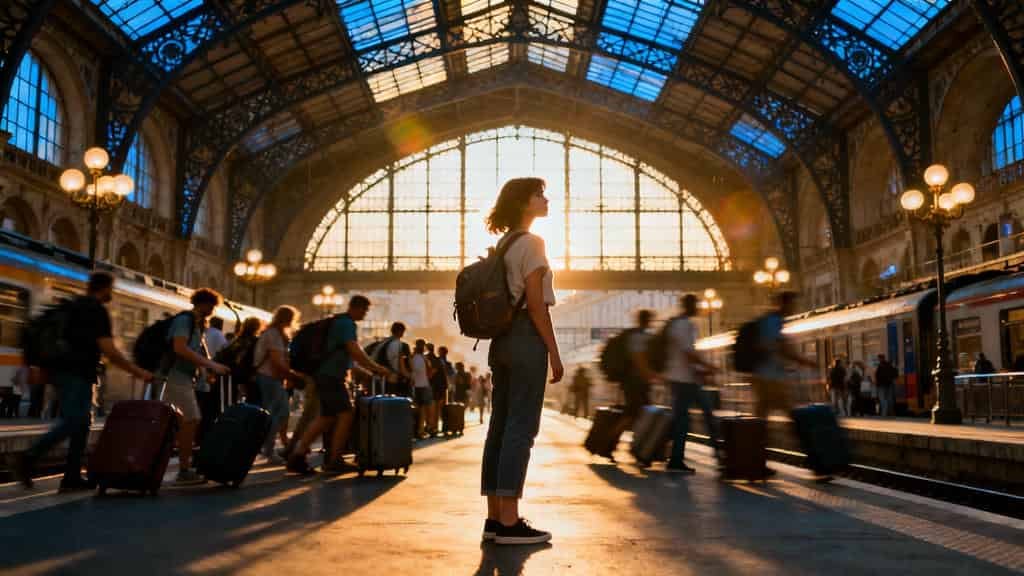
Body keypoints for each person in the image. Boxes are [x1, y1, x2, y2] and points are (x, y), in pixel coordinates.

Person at [15, 273, 154, 491]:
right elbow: (109, 349)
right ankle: (30, 456)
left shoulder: (73, 306)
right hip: (78, 373)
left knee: (81, 425)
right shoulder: (96, 310)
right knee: (75, 421)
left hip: (61, 372)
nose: (112, 294)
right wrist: (136, 371)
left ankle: (71, 477)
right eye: (111, 289)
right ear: (105, 288)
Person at [480, 177, 562, 546]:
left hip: (500, 342)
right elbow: (535, 305)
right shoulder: (532, 243)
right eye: (539, 195)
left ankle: (495, 519)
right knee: (521, 428)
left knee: (499, 426)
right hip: (526, 340)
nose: (546, 200)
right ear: (523, 203)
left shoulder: (505, 244)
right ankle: (511, 522)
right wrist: (555, 355)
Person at [285, 295, 390, 475]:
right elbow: (353, 350)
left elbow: (345, 355)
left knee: (328, 417)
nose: (365, 314)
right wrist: (376, 368)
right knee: (345, 413)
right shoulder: (347, 324)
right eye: (365, 310)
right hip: (331, 376)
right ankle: (333, 461)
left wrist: (364, 370)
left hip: (326, 375)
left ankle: (298, 455)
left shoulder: (338, 322)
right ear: (357, 308)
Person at [164, 288, 231, 485]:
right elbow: (180, 348)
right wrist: (211, 365)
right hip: (174, 376)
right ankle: (183, 470)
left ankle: (175, 464)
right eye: (212, 306)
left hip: (184, 377)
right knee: (192, 418)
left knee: (178, 421)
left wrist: (204, 373)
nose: (213, 310)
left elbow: (195, 353)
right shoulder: (185, 321)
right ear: (203, 303)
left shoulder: (197, 324)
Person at [664, 294, 720, 474]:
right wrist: (708, 366)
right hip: (685, 380)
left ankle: (676, 457)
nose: (699, 307)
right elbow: (688, 353)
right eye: (697, 304)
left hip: (683, 379)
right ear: (690, 306)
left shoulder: (678, 324)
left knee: (686, 419)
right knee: (693, 418)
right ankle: (718, 457)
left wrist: (701, 369)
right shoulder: (684, 325)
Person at [751, 291, 816, 420]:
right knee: (789, 412)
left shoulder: (772, 321)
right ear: (784, 304)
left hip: (766, 376)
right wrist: (805, 362)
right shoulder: (773, 321)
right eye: (793, 304)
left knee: (763, 414)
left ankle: (755, 438)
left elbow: (780, 348)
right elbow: (782, 349)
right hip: (769, 377)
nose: (794, 307)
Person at [253, 305, 304, 464]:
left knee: (276, 413)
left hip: (272, 378)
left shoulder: (275, 333)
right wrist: (293, 376)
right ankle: (268, 450)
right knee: (280, 412)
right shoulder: (274, 334)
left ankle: (267, 448)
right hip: (269, 377)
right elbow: (277, 361)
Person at [611, 310, 656, 441]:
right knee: (632, 414)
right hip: (635, 383)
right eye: (650, 320)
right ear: (646, 321)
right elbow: (639, 359)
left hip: (636, 382)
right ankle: (608, 442)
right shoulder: (638, 337)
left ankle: (637, 444)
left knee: (639, 414)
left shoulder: (638, 336)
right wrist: (651, 374)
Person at [217, 317, 264, 404]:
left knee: (227, 401)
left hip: (227, 373)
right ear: (258, 328)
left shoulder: (236, 340)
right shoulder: (256, 341)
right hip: (241, 375)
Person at [410, 339, 435, 439]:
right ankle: (421, 430)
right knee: (423, 409)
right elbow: (430, 371)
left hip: (415, 385)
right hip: (423, 385)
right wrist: (426, 377)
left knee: (417, 409)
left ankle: (418, 430)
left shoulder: (412, 357)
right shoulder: (424, 358)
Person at [381, 322, 412, 397]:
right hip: (394, 378)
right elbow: (401, 365)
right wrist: (409, 376)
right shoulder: (398, 344)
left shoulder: (385, 342)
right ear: (400, 331)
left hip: (383, 377)